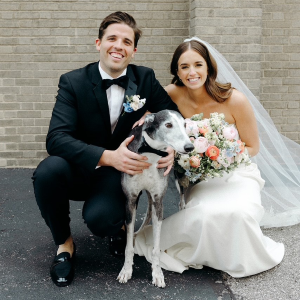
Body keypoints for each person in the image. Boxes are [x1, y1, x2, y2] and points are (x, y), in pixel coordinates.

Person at [32, 11, 178, 287]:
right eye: (112, 38)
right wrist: (107, 156)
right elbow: (56, 138)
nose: (118, 46)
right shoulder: (72, 81)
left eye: (126, 41)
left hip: (117, 176)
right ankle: (64, 246)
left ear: (133, 50)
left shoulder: (144, 78)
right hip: (79, 167)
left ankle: (117, 227)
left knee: (101, 219)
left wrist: (171, 146)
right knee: (48, 171)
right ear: (98, 43)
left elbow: (173, 114)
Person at [134, 38, 300, 277]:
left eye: (198, 65)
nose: (192, 72)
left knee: (239, 214)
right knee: (204, 215)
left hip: (237, 173)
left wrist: (218, 157)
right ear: (176, 71)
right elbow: (149, 123)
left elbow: (253, 147)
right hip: (199, 179)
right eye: (184, 67)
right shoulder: (170, 95)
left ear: (209, 67)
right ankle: (157, 241)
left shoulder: (234, 99)